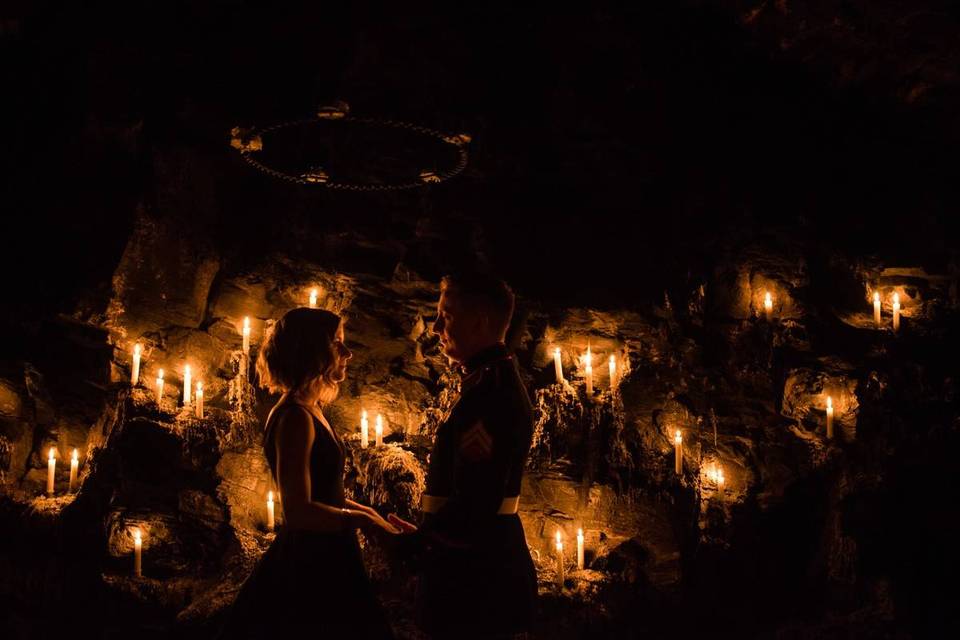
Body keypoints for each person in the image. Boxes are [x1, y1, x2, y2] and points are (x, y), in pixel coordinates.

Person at [218, 307, 398, 639]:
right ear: (311, 351)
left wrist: (370, 512)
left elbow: (327, 494)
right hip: (310, 563)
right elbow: (299, 510)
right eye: (337, 344)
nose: (348, 353)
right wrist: (363, 521)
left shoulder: (313, 409)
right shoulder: (295, 417)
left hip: (330, 551)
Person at [389, 273, 538, 639]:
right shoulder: (489, 381)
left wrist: (420, 543)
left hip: (475, 575)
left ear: (480, 321)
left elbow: (477, 500)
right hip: (476, 560)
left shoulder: (490, 394)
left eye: (447, 316)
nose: (436, 327)